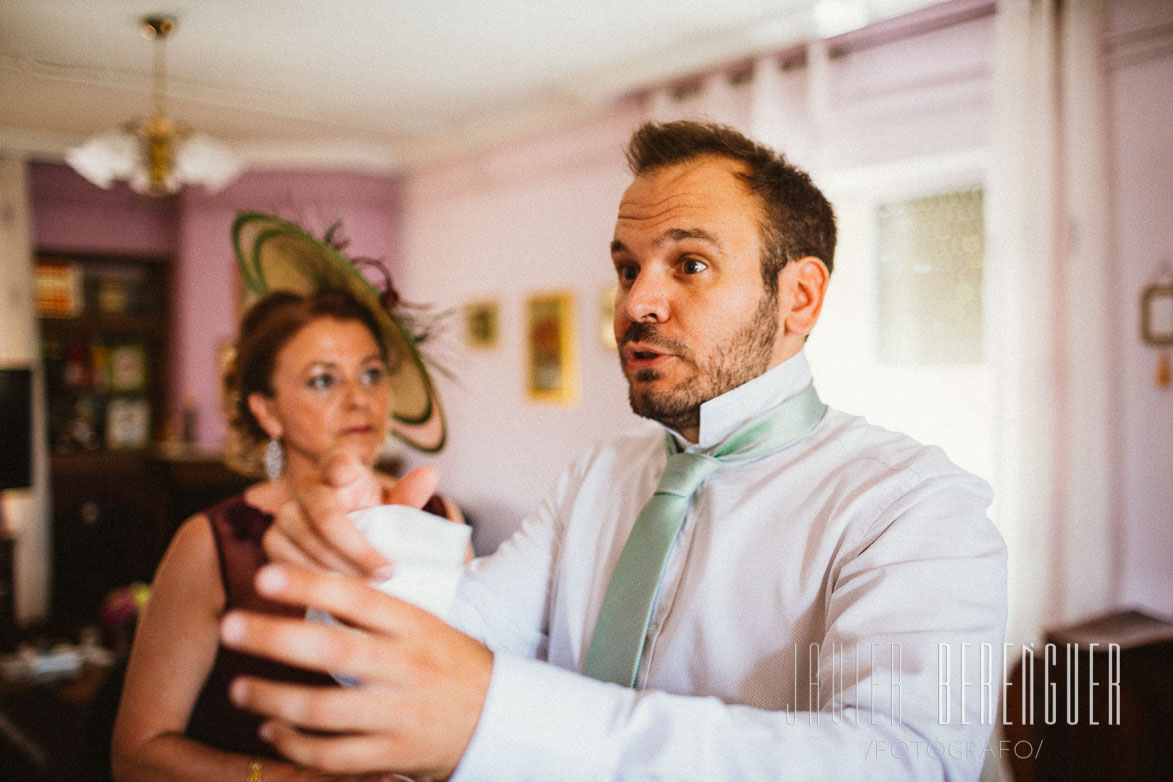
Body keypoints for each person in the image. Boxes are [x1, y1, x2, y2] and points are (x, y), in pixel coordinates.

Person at [219, 121, 1008, 780]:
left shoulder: (914, 508)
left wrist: (501, 716)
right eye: (627, 268)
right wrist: (367, 556)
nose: (635, 303)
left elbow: (907, 763)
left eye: (688, 264)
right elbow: (461, 641)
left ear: (797, 297)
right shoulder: (596, 479)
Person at [110, 214, 463, 782]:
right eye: (324, 379)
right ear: (267, 409)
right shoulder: (215, 542)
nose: (359, 399)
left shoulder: (439, 517)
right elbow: (137, 755)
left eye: (371, 374)